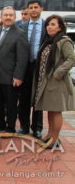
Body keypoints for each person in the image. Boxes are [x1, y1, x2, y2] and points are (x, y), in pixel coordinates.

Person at [33, 15, 75, 148]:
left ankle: (55, 139)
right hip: (46, 81)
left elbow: (71, 59)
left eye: (52, 24)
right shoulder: (49, 41)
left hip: (57, 82)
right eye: (48, 24)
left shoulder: (64, 41)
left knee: (56, 111)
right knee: (50, 110)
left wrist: (58, 73)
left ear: (60, 27)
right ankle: (50, 135)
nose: (49, 27)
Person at [0, 6, 28, 133]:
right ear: (1, 17)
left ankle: (10, 127)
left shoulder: (20, 34)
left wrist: (18, 76)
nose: (8, 17)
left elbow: (22, 58)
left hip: (11, 76)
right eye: (5, 15)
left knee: (11, 104)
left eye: (11, 15)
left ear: (15, 18)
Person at [18, 0, 46, 139]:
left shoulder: (47, 27)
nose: (33, 10)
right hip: (24, 67)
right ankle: (24, 126)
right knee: (23, 98)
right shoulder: (21, 26)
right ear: (28, 10)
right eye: (31, 8)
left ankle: (37, 128)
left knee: (37, 99)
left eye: (36, 7)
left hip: (39, 66)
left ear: (41, 9)